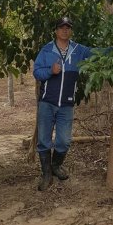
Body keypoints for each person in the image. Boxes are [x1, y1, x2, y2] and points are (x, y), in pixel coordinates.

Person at [33, 15, 97, 191]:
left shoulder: (78, 50)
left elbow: (95, 53)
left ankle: (55, 166)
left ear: (71, 30)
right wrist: (50, 71)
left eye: (68, 27)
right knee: (44, 140)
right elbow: (37, 72)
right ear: (56, 30)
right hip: (47, 102)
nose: (65, 30)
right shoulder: (46, 50)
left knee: (63, 141)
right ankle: (46, 174)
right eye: (61, 27)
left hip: (66, 105)